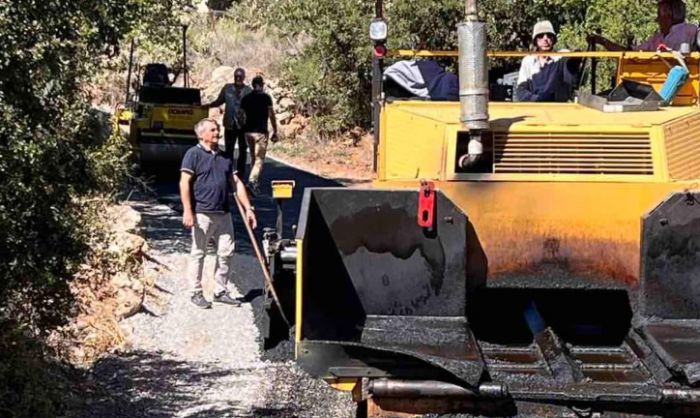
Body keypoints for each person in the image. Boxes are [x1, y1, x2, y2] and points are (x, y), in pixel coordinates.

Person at [180, 118, 257, 309]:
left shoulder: (225, 157)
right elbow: (184, 183)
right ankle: (196, 292)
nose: (217, 133)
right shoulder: (193, 155)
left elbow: (237, 183)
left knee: (226, 252)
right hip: (202, 213)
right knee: (199, 253)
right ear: (202, 134)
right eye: (213, 130)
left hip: (224, 213)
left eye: (217, 129)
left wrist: (248, 208)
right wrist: (188, 211)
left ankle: (220, 290)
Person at [588, 0, 698, 52]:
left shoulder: (690, 30)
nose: (657, 19)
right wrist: (603, 41)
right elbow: (629, 54)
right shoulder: (656, 39)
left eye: (659, 15)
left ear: (668, 14)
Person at [515, 20, 580, 102]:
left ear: (553, 39)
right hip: (534, 108)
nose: (545, 39)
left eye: (549, 35)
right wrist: (536, 99)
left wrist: (575, 58)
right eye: (541, 36)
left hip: (558, 108)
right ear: (535, 40)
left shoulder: (562, 58)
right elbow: (521, 90)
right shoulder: (527, 61)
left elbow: (572, 68)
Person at [205, 68, 253, 179]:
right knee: (229, 150)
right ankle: (228, 172)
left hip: (243, 127)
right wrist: (207, 106)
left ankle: (240, 174)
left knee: (242, 150)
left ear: (244, 77)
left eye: (240, 76)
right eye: (236, 76)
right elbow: (219, 101)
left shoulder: (248, 91)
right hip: (230, 125)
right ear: (234, 76)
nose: (238, 78)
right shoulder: (227, 89)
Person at [240, 75, 278, 194]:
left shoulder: (246, 98)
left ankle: (254, 182)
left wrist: (242, 126)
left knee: (253, 157)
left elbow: (240, 114)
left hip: (248, 132)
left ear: (252, 85)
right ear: (262, 85)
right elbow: (271, 114)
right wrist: (275, 130)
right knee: (259, 159)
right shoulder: (266, 98)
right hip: (260, 132)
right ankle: (252, 181)